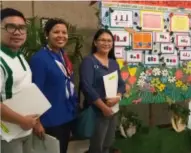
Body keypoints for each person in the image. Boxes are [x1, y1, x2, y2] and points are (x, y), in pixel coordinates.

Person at [29, 18, 77, 153]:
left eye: (64, 32)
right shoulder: (40, 58)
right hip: (50, 119)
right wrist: (37, 122)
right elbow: (35, 92)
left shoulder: (63, 55)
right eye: (56, 32)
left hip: (67, 115)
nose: (61, 35)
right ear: (47, 34)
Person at [80, 29, 126, 153]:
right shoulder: (89, 61)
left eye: (109, 41)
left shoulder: (113, 63)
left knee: (108, 144)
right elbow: (87, 87)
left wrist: (118, 96)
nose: (106, 43)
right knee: (96, 147)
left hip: (112, 110)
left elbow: (121, 85)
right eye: (102, 40)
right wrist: (103, 107)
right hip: (97, 112)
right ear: (95, 42)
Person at [0, 8, 38, 153]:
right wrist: (22, 121)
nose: (17, 32)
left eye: (22, 28)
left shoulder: (19, 56)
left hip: (25, 130)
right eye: (10, 27)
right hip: (6, 135)